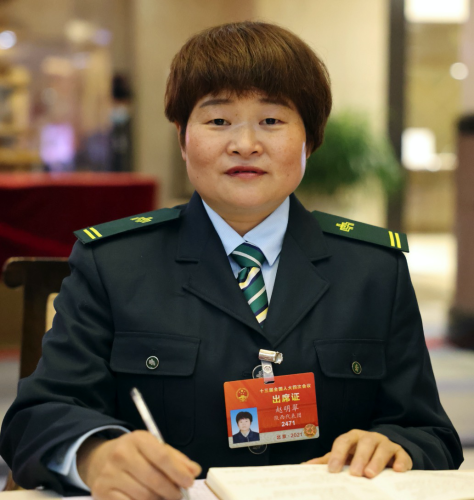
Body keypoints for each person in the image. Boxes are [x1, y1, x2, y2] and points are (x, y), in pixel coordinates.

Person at [0, 20, 463, 500]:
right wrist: (94, 456)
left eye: (272, 121)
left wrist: (395, 446)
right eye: (218, 121)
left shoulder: (373, 270)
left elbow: (431, 435)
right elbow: (36, 418)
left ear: (309, 140)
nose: (245, 144)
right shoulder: (114, 264)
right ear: (182, 139)